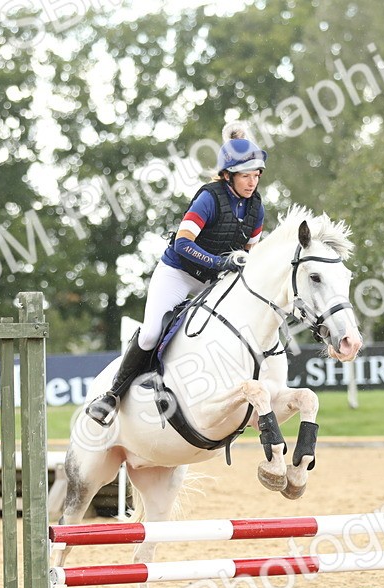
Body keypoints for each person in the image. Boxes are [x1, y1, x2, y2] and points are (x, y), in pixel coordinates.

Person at [85, 121, 268, 426]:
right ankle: (113, 395)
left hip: (213, 282)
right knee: (152, 332)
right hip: (178, 272)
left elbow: (250, 254)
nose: (252, 183)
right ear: (227, 175)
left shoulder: (256, 209)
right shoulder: (209, 198)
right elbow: (184, 243)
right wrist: (220, 263)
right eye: (246, 176)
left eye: (256, 176)